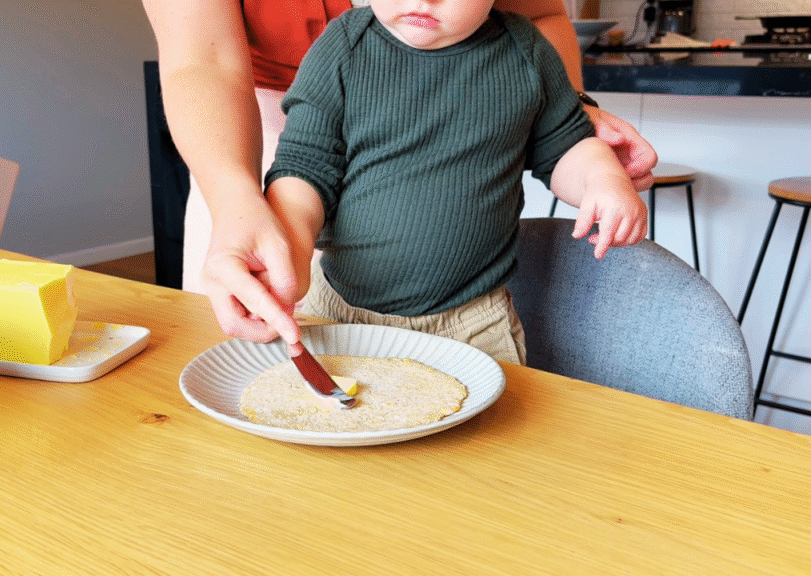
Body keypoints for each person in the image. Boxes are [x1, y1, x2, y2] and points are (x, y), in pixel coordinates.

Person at [140, 0, 657, 354]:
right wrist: (290, 245)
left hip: (475, 324)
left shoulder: (524, 53)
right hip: (334, 310)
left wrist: (601, 179)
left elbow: (564, 146)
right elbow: (304, 174)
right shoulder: (342, 50)